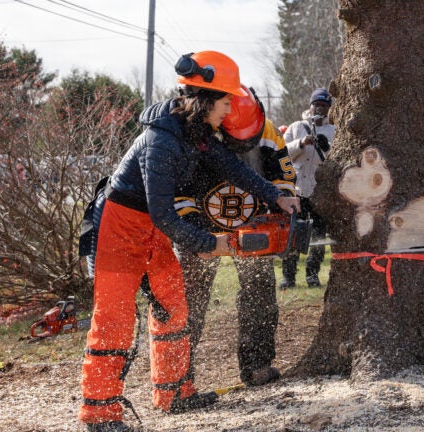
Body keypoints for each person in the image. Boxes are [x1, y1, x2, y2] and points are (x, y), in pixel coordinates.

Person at [78, 51, 300, 432]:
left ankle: (174, 392)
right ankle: (98, 413)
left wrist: (275, 194)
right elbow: (164, 212)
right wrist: (208, 242)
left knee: (172, 304)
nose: (230, 107)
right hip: (120, 226)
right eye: (226, 99)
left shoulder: (196, 135)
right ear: (206, 99)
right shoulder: (161, 141)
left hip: (151, 228)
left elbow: (230, 168)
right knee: (114, 316)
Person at [174, 86, 296, 390]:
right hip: (201, 226)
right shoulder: (194, 135)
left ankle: (257, 364)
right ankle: (176, 374)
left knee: (260, 292)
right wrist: (194, 233)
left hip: (254, 224)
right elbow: (177, 191)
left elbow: (284, 176)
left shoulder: (267, 132)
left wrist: (284, 203)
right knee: (187, 299)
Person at [280, 87, 336, 288]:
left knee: (318, 236)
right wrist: (301, 143)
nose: (319, 110)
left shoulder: (333, 130)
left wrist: (326, 146)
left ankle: (312, 274)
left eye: (323, 107)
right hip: (297, 191)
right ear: (310, 106)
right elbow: (282, 154)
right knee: (293, 234)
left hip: (320, 192)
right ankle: (288, 276)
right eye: (316, 106)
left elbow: (338, 161)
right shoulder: (296, 127)